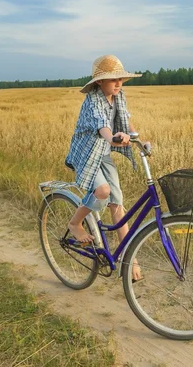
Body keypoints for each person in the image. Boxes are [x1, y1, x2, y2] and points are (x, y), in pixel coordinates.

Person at [64, 54, 143, 281]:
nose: (118, 83)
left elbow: (126, 121)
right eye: (112, 79)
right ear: (99, 82)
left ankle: (130, 260)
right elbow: (102, 126)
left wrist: (140, 141)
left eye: (120, 79)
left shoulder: (119, 96)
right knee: (103, 192)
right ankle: (75, 223)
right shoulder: (93, 100)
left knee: (117, 204)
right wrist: (112, 138)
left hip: (104, 153)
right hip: (86, 153)